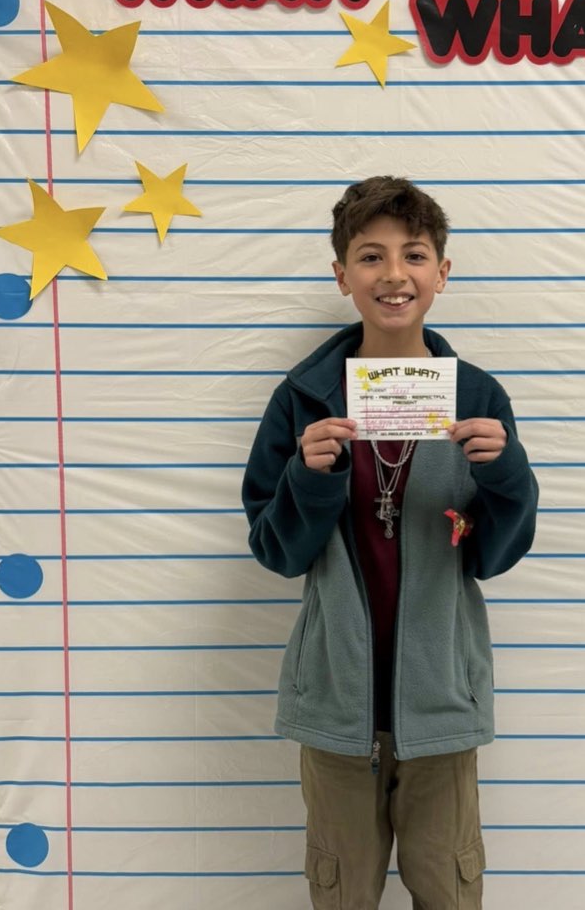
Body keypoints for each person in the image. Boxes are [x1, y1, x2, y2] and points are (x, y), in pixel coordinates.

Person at [240, 176, 538, 910]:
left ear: (442, 272)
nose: (394, 274)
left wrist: (506, 475)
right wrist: (307, 481)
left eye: (414, 255)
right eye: (370, 257)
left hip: (441, 699)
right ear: (342, 275)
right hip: (336, 703)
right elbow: (276, 552)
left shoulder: (476, 398)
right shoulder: (305, 398)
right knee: (342, 891)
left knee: (449, 885)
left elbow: (495, 554)